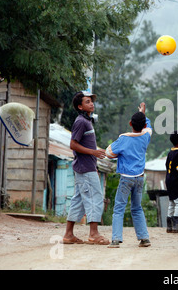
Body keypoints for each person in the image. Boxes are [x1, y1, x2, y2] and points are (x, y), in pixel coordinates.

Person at [63, 91, 109, 245]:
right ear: (80, 106)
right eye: (87, 102)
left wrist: (93, 160)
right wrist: (93, 152)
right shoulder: (81, 122)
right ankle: (94, 234)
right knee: (95, 198)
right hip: (85, 168)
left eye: (91, 101)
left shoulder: (87, 121)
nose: (91, 104)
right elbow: (73, 144)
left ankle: (68, 234)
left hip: (87, 167)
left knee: (79, 200)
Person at [106, 103, 152, 248]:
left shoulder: (124, 139)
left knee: (119, 207)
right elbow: (149, 127)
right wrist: (143, 113)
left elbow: (108, 153)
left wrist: (119, 154)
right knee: (137, 208)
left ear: (130, 124)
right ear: (144, 124)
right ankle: (144, 238)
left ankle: (116, 239)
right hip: (140, 178)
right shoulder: (145, 137)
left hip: (126, 178)